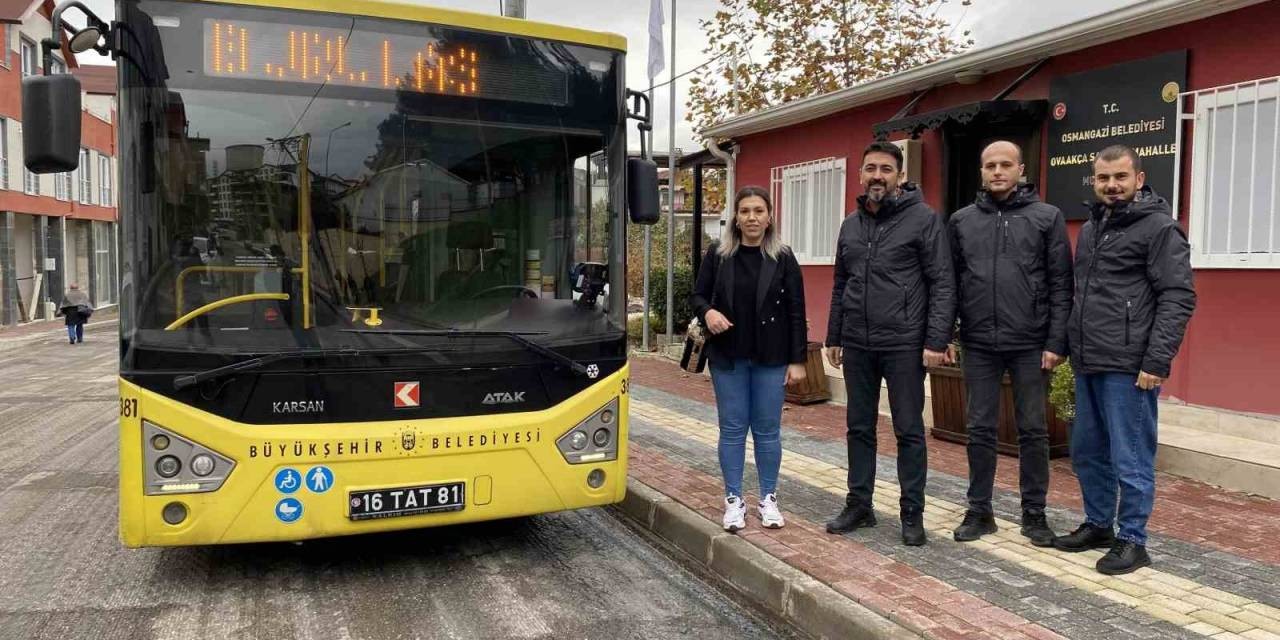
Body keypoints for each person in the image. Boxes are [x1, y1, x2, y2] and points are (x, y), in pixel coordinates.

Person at [1053, 145, 1196, 575]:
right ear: (1094, 182)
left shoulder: (1159, 229)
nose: (1111, 185)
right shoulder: (1095, 227)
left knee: (1130, 456)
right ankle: (1099, 524)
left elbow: (1178, 296)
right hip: (1088, 361)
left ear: (1139, 178)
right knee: (1087, 451)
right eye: (1103, 179)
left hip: (1130, 366)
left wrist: (1156, 360)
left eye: (1120, 177)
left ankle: (1133, 539)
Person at [824, 142, 955, 546]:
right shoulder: (850, 225)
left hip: (903, 343)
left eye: (885, 168)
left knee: (909, 430)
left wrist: (936, 339)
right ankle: (859, 504)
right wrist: (834, 334)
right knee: (858, 427)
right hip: (858, 344)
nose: (877, 175)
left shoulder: (923, 220)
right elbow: (842, 282)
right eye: (870, 168)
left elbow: (943, 282)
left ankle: (911, 512)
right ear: (860, 175)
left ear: (899, 175)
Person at [947, 141, 1072, 547]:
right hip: (980, 341)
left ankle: (1034, 513)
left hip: (1030, 342)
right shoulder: (962, 221)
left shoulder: (1046, 218)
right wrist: (948, 333)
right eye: (989, 165)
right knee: (979, 427)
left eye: (1005, 165)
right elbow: (950, 282)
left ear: (1021, 169)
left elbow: (1060, 284)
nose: (997, 171)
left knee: (1033, 429)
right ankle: (979, 510)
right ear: (981, 172)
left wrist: (1056, 341)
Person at [690, 185, 808, 532]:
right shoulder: (719, 254)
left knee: (768, 431)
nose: (752, 217)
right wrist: (708, 312)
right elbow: (697, 294)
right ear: (736, 218)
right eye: (745, 211)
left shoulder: (783, 257)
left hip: (771, 358)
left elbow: (796, 311)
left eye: (759, 211)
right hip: (728, 356)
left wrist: (798, 359)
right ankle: (733, 500)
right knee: (732, 429)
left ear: (769, 217)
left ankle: (768, 498)